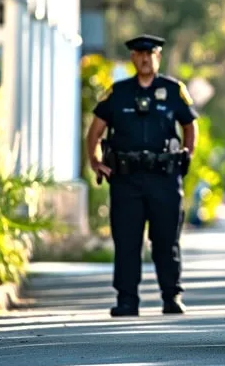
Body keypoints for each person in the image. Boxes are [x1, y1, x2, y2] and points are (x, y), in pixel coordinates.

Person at [85, 34, 198, 317]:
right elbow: (95, 131)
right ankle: (127, 300)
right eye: (139, 54)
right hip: (127, 180)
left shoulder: (173, 90)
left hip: (164, 178)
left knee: (166, 240)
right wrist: (96, 162)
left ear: (157, 57)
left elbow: (189, 125)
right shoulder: (118, 93)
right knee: (126, 241)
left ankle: (171, 296)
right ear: (133, 58)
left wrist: (187, 154)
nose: (145, 58)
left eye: (150, 53)